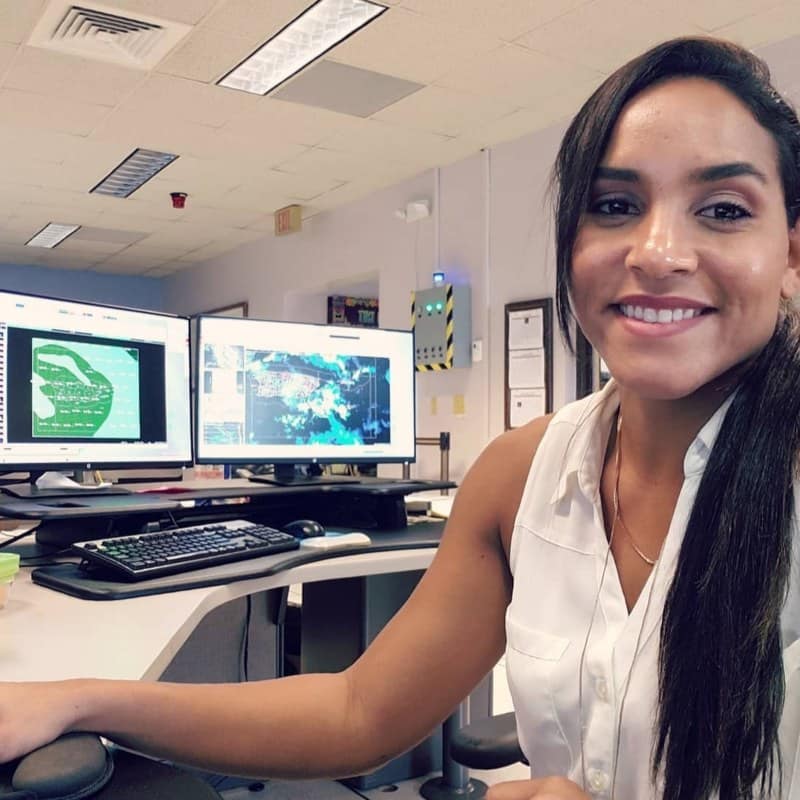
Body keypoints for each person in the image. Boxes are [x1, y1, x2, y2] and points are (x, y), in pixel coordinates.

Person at [2, 35, 800, 800]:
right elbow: (360, 712)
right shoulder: (520, 476)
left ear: (791, 253)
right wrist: (82, 701)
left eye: (725, 210)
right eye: (616, 205)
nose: (657, 252)